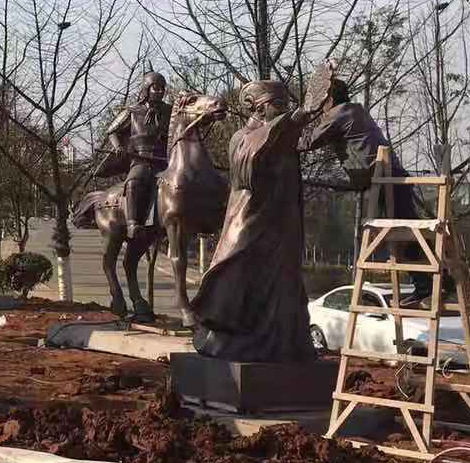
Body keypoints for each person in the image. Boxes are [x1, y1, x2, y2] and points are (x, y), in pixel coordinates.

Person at [190, 79, 327, 365]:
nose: (283, 111)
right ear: (257, 108)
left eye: (286, 106)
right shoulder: (242, 137)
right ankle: (226, 337)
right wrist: (296, 117)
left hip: (281, 229)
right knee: (238, 280)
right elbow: (249, 168)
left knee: (284, 287)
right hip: (250, 225)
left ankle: (285, 345)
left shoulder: (283, 140)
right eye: (277, 105)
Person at [300, 78, 437, 303]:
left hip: (384, 179)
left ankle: (428, 283)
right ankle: (436, 281)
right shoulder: (355, 110)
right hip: (390, 176)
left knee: (408, 233)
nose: (320, 105)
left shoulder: (339, 114)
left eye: (322, 100)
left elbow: (307, 143)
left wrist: (297, 121)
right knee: (410, 230)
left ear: (330, 99)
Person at [100, 72, 171, 235]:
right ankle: (133, 223)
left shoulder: (170, 111)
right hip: (141, 160)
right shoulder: (132, 111)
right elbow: (112, 131)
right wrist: (118, 146)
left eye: (162, 88)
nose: (160, 92)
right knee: (135, 180)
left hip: (164, 159)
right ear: (146, 89)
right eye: (156, 88)